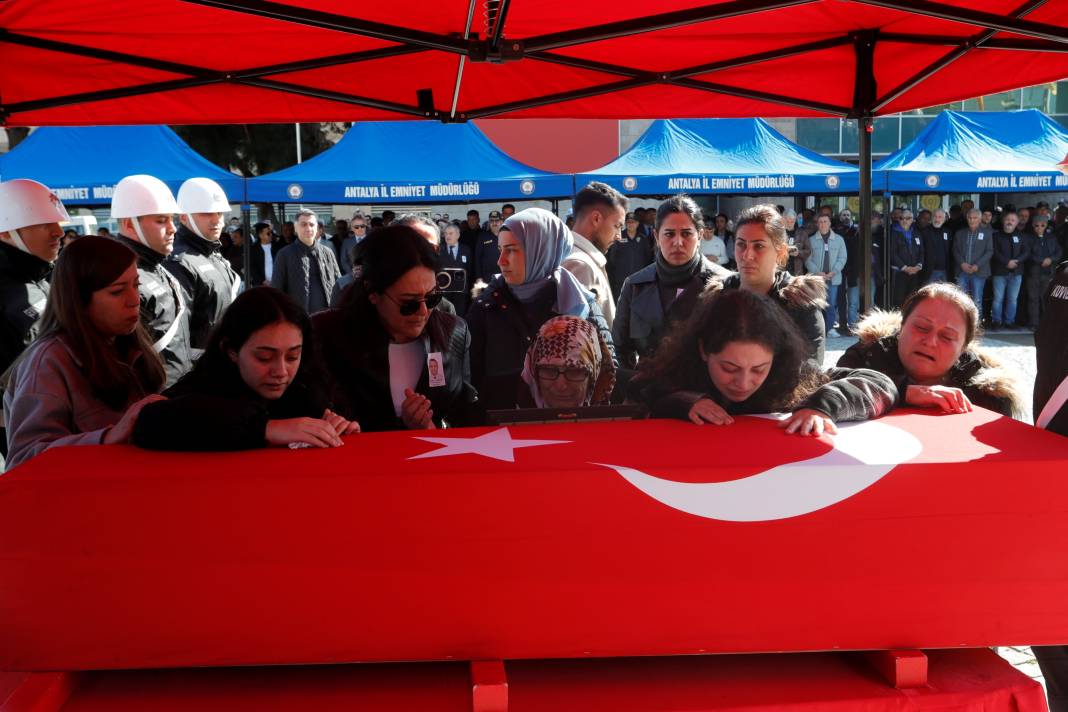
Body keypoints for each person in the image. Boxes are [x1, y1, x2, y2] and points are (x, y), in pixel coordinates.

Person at [630, 288, 896, 434]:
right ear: (703, 350)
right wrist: (682, 402)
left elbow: (880, 383)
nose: (743, 383)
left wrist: (822, 406)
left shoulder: (794, 375)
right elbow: (641, 390)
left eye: (759, 369)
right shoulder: (675, 372)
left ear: (776, 356)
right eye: (729, 368)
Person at [2, 237, 166, 471]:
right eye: (117, 291)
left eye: (136, 285)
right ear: (78, 299)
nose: (134, 300)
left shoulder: (125, 342)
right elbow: (25, 459)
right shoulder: (48, 361)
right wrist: (108, 437)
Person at [133, 287, 357, 451]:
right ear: (231, 350)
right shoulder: (204, 384)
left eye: (292, 356)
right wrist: (265, 428)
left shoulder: (308, 384)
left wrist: (338, 427)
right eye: (264, 357)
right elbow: (151, 421)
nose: (280, 371)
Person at [314, 225, 481, 431]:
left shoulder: (454, 331)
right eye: (408, 303)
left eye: (432, 298)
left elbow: (462, 410)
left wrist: (433, 428)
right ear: (372, 292)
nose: (423, 312)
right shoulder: (324, 334)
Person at [466, 208, 613, 410]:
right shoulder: (485, 306)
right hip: (503, 433)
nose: (501, 261)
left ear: (541, 249)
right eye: (501, 250)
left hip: (567, 429)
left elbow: (606, 375)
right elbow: (470, 381)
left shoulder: (582, 306)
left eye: (511, 250)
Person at [837, 282, 1023, 417]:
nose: (930, 341)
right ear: (901, 328)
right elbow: (826, 395)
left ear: (963, 348)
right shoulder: (864, 358)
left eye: (947, 337)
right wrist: (903, 393)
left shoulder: (988, 396)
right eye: (922, 328)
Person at [613, 195, 729, 370]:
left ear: (700, 235)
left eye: (686, 233)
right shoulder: (635, 286)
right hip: (649, 393)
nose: (678, 242)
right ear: (656, 236)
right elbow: (619, 350)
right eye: (669, 234)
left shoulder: (725, 284)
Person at [712, 204, 827, 364]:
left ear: (780, 252)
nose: (747, 255)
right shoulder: (716, 298)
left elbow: (811, 371)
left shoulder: (801, 303)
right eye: (741, 244)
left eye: (759, 246)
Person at [110, 174, 194, 386]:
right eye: (161, 220)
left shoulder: (158, 267)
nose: (173, 228)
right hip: (151, 402)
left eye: (172, 219)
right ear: (130, 225)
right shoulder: (119, 278)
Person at [168, 177, 241, 351]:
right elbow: (178, 338)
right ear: (184, 218)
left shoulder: (212, 253)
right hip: (201, 368)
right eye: (207, 213)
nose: (217, 220)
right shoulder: (178, 262)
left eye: (220, 213)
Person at [565, 181, 628, 329]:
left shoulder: (580, 258)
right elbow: (576, 340)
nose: (619, 235)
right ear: (596, 218)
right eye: (617, 226)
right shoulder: (579, 264)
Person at [519, 315, 616, 409]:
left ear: (594, 374)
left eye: (574, 371)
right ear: (534, 371)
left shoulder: (623, 415)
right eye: (549, 370)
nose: (561, 386)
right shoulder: (509, 413)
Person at [272, 208, 341, 314]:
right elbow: (277, 291)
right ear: (295, 228)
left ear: (317, 228)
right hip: (298, 319)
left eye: (312, 224)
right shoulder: (284, 254)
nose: (308, 228)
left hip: (327, 318)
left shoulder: (328, 253)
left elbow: (338, 284)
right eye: (303, 225)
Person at [804, 213, 848, 337]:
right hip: (817, 278)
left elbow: (843, 257)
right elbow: (807, 259)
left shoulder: (839, 240)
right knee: (816, 304)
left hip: (833, 277)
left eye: (825, 221)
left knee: (831, 304)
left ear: (830, 223)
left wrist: (834, 271)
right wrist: (817, 272)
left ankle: (829, 329)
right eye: (820, 222)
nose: (823, 224)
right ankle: (817, 330)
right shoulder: (811, 240)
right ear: (817, 224)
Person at [990, 210, 1028, 330]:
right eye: (1007, 219)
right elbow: (994, 252)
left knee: (1012, 299)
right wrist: (1007, 262)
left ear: (1017, 222)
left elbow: (1026, 252)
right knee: (998, 299)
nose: (1009, 222)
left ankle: (1009, 322)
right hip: (999, 272)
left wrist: (1016, 261)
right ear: (1003, 221)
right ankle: (996, 321)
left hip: (1016, 272)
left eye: (1012, 220)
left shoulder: (1022, 236)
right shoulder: (995, 236)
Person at [606, 211, 655, 300]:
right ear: (625, 223)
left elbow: (648, 258)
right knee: (621, 303)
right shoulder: (618, 238)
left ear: (637, 223)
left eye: (633, 222)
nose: (631, 224)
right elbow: (611, 258)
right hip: (621, 279)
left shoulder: (643, 239)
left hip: (639, 279)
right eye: (628, 222)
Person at [1027, 213, 1062, 331]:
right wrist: (1041, 260)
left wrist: (1050, 259)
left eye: (1042, 225)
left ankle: (1046, 321)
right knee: (1033, 298)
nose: (1039, 228)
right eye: (1036, 225)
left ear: (1046, 225)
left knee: (1046, 298)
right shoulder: (1029, 238)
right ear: (1033, 226)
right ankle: (1034, 323)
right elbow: (1028, 254)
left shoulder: (1052, 237)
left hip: (1048, 273)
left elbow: (1058, 252)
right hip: (1034, 273)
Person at [953, 208, 992, 308]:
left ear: (979, 219)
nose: (972, 220)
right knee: (961, 300)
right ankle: (962, 323)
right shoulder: (960, 233)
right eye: (970, 218)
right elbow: (955, 250)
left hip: (979, 272)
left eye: (974, 218)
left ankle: (976, 323)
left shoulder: (987, 233)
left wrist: (977, 265)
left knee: (977, 300)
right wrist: (962, 264)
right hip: (962, 272)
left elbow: (989, 251)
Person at [889, 209, 924, 308]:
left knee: (912, 300)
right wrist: (905, 267)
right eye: (901, 218)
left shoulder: (916, 233)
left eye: (908, 218)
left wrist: (918, 266)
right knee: (898, 300)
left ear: (913, 220)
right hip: (899, 273)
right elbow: (892, 253)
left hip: (914, 272)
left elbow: (922, 252)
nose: (904, 220)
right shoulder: (893, 233)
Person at [249, 221, 281, 287]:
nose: (271, 235)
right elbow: (252, 267)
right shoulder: (253, 249)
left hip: (277, 283)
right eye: (268, 233)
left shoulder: (277, 247)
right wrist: (262, 281)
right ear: (260, 235)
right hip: (261, 285)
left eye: (271, 232)